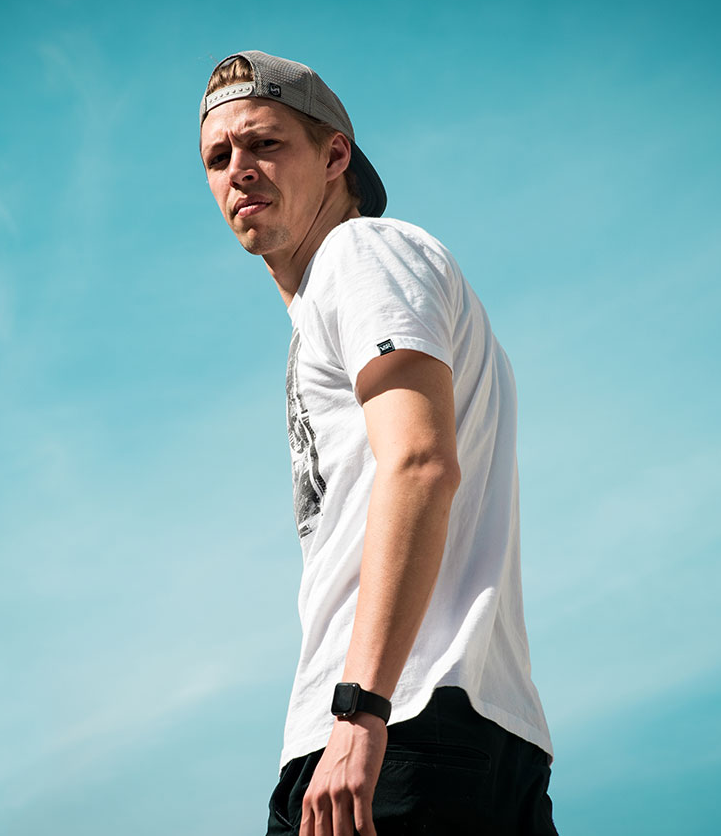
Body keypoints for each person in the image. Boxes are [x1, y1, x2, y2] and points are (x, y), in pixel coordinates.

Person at [199, 50, 559, 836]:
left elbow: (421, 462)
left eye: (265, 143)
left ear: (335, 155)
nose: (240, 170)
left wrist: (359, 711)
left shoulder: (362, 256)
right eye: (219, 157)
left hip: (395, 726)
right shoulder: (337, 299)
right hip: (457, 732)